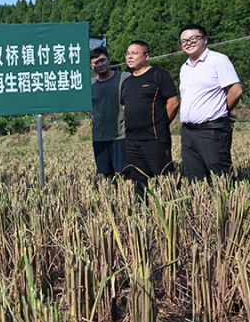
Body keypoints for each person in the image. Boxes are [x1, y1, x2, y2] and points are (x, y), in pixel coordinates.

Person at [178, 24, 243, 181]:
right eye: (184, 40)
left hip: (212, 130)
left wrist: (222, 110)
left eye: (193, 38)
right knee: (194, 178)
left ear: (205, 40)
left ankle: (226, 205)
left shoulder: (218, 60)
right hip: (188, 132)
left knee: (219, 176)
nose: (188, 43)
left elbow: (236, 91)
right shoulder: (184, 67)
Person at [121, 41, 180, 200]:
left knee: (162, 178)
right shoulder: (127, 82)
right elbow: (125, 107)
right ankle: (142, 211)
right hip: (133, 139)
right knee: (139, 179)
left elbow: (173, 102)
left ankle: (169, 211)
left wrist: (161, 123)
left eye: (134, 53)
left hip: (154, 137)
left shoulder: (158, 75)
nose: (129, 56)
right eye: (127, 53)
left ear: (146, 56)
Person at [89, 47, 130, 178]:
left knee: (126, 173)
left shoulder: (125, 78)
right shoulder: (90, 85)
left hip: (121, 134)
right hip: (100, 136)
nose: (100, 64)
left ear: (109, 60)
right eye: (96, 62)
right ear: (91, 66)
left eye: (102, 60)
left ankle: (127, 197)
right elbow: (80, 102)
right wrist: (91, 115)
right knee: (107, 175)